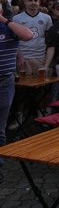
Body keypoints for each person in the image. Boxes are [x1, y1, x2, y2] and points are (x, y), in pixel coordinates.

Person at [0, 9, 33, 160]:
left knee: (0, 127)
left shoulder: (8, 26)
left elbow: (28, 35)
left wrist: (4, 20)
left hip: (4, 81)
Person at [14, 0, 53, 75]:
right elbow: (14, 40)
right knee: (23, 85)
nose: (33, 2)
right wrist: (19, 56)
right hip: (23, 57)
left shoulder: (47, 18)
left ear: (39, 2)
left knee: (40, 85)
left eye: (35, 0)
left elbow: (49, 40)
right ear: (25, 2)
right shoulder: (16, 18)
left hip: (40, 56)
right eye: (30, 0)